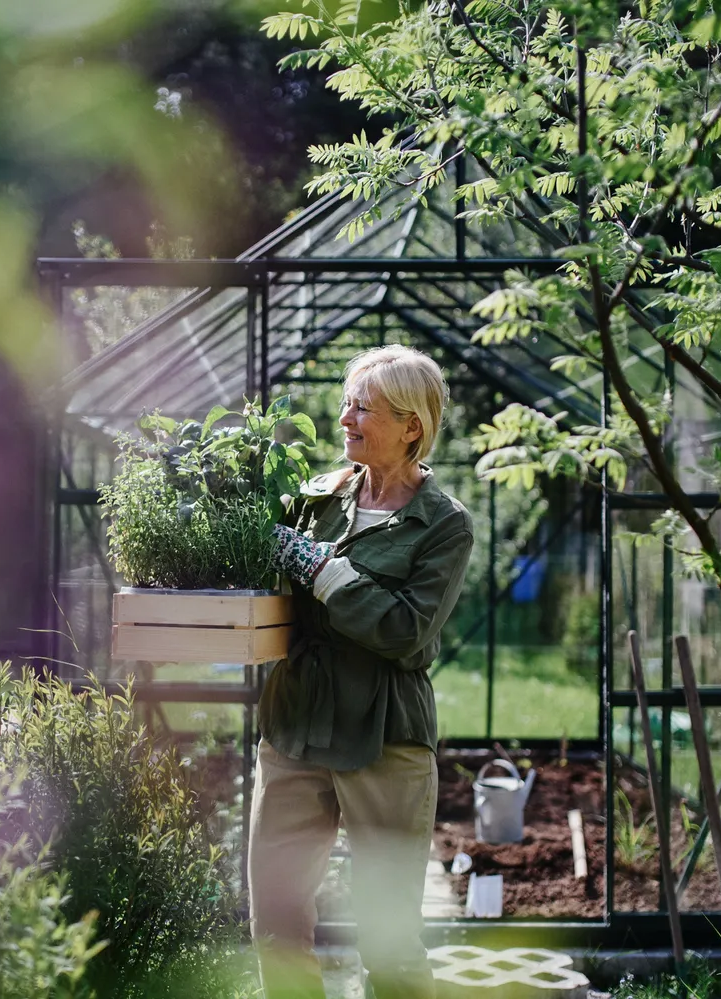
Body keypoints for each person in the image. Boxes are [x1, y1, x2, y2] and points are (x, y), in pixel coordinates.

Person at [253, 344, 475, 999]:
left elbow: (406, 632)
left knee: (388, 939)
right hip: (294, 729)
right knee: (276, 922)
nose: (345, 418)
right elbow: (270, 600)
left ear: (412, 425)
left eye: (364, 408)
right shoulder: (315, 498)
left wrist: (325, 571)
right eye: (346, 403)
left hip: (383, 738)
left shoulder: (443, 524)